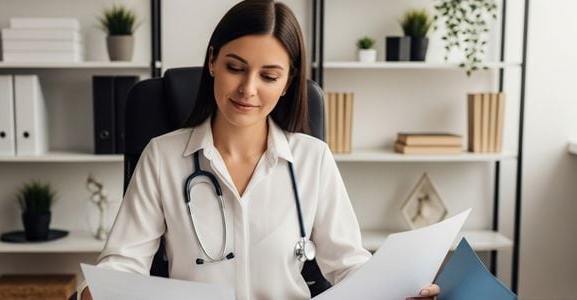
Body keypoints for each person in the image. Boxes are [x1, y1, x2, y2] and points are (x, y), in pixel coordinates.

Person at [82, 1, 440, 299]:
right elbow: (123, 263)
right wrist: (97, 290)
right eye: (235, 68)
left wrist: (398, 290)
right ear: (212, 62)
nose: (248, 89)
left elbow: (348, 265)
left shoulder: (312, 159)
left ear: (287, 83)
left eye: (269, 76)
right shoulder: (162, 157)